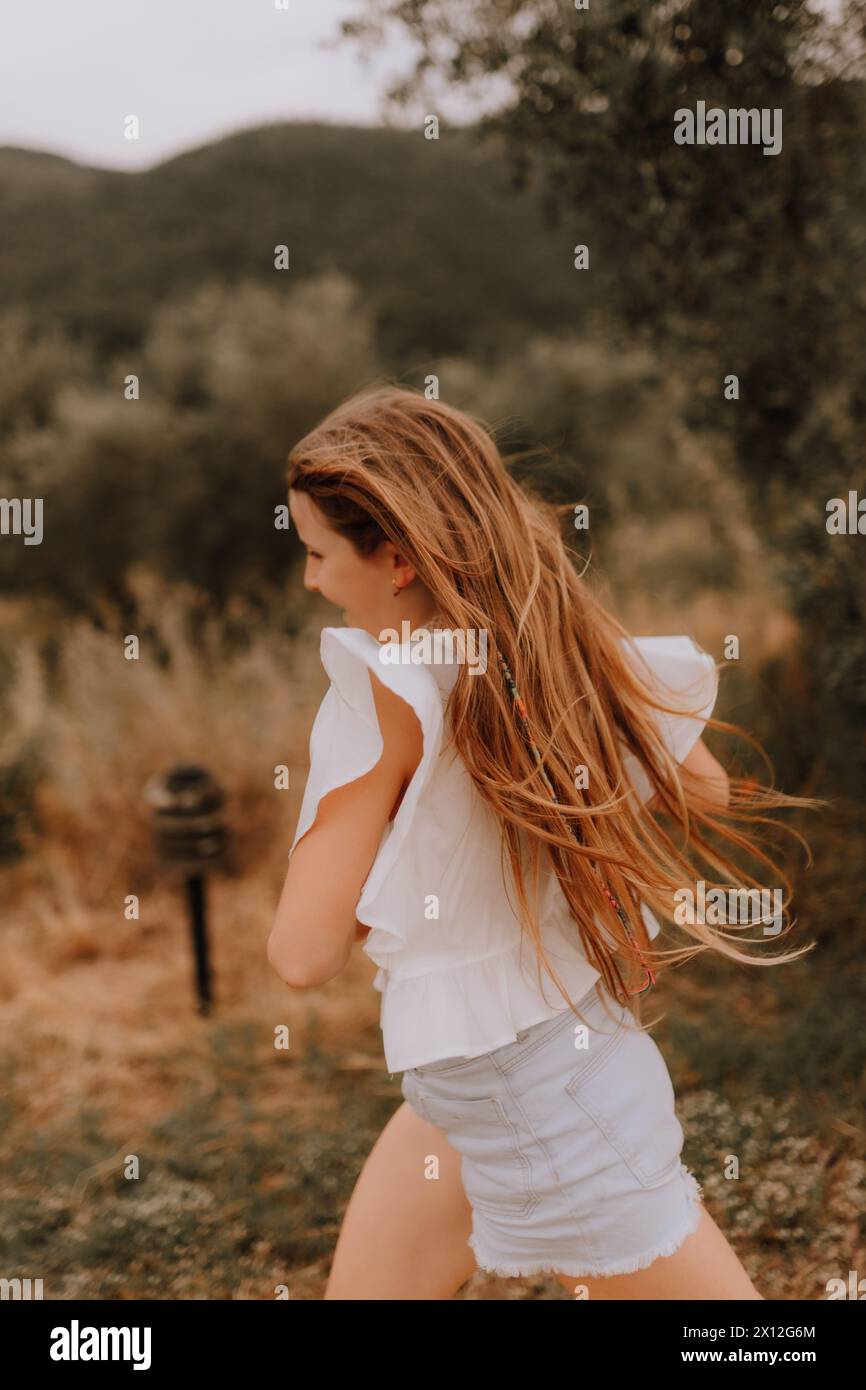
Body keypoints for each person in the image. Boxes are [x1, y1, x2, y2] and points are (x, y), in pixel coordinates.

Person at [268, 383, 816, 1300]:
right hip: (479, 1079)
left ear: (396, 558)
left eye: (319, 554)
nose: (314, 581)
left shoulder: (379, 693)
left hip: (545, 1098)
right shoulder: (559, 647)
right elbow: (709, 792)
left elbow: (302, 952)